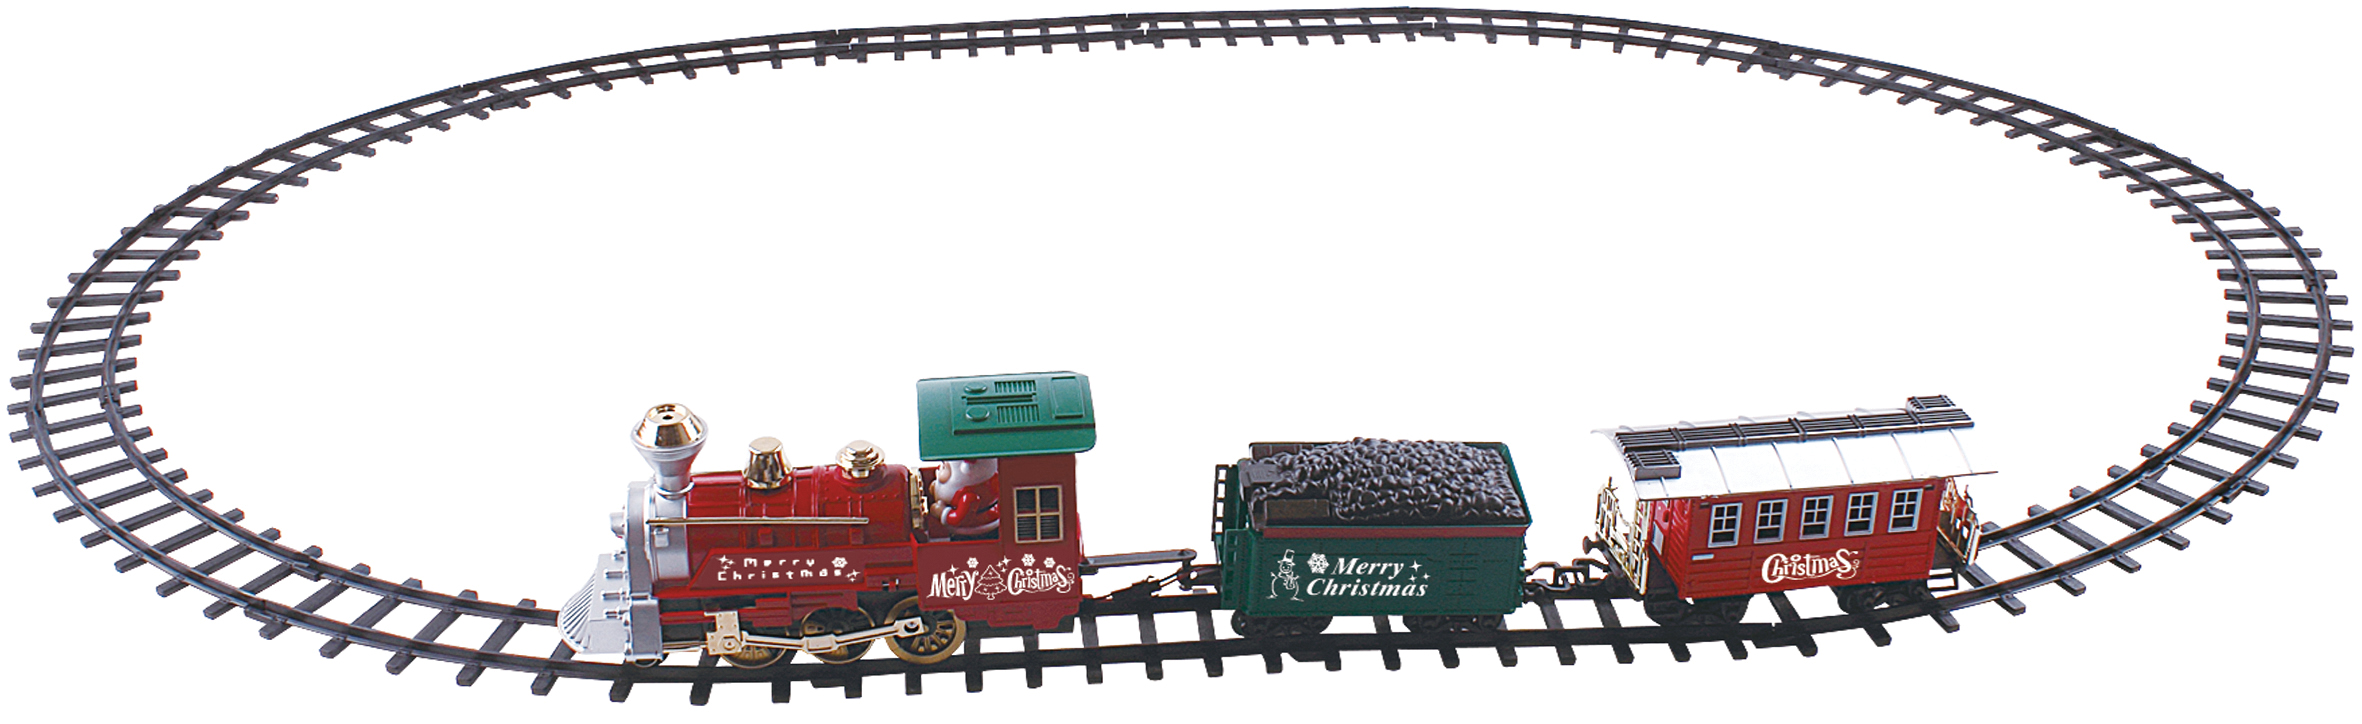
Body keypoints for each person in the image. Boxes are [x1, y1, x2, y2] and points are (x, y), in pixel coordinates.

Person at [933, 458, 1001, 539]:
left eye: (944, 467)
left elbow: (958, 519)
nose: (940, 470)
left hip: (972, 531)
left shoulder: (969, 497)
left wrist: (941, 512)